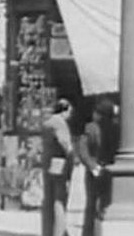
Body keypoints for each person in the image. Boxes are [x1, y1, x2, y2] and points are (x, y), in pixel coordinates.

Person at [41, 98, 74, 236]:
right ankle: (58, 231)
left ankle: (48, 230)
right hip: (59, 163)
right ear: (64, 110)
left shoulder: (47, 122)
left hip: (48, 162)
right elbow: (65, 143)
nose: (70, 115)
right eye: (70, 112)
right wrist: (72, 155)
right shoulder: (60, 124)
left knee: (48, 199)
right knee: (59, 200)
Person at [78, 104, 104, 236]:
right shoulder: (116, 127)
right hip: (107, 168)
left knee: (91, 203)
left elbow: (82, 149)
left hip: (94, 169)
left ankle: (89, 232)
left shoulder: (91, 128)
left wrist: (91, 165)